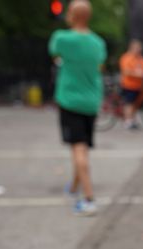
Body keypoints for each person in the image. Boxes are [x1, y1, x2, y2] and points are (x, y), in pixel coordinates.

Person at [49, 0, 106, 216]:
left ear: (72, 15)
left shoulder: (62, 38)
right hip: (91, 101)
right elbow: (99, 64)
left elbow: (55, 55)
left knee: (78, 148)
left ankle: (89, 198)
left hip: (70, 100)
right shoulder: (98, 43)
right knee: (80, 146)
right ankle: (74, 186)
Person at [119, 39, 143, 130]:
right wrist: (139, 74)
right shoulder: (127, 58)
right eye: (137, 48)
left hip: (139, 86)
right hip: (129, 85)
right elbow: (126, 71)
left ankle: (132, 119)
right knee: (129, 103)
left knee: (135, 104)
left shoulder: (140, 59)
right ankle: (127, 121)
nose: (139, 50)